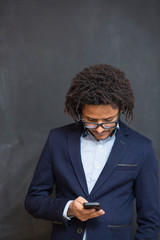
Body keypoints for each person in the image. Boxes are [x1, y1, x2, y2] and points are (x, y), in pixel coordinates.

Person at [25, 64, 160, 240]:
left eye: (109, 120)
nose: (99, 129)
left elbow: (150, 221)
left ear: (120, 110)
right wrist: (69, 208)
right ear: (79, 111)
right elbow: (33, 200)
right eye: (90, 120)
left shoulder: (141, 147)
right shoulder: (57, 139)